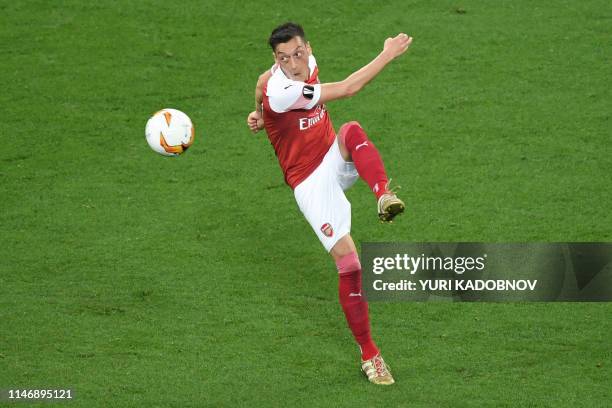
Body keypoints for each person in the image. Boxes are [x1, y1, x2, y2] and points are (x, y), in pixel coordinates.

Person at [246, 22, 412, 385]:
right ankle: (371, 355)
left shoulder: (292, 67)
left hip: (332, 156)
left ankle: (383, 193)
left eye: (297, 53)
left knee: (350, 130)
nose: (292, 63)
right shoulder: (284, 90)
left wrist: (256, 113)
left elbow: (257, 83)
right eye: (283, 58)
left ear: (308, 47)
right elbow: (350, 88)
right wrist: (387, 53)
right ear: (277, 60)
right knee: (350, 265)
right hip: (309, 183)